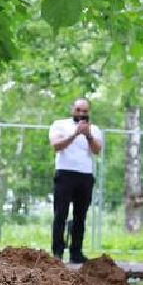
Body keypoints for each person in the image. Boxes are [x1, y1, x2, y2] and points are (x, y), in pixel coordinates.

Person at [49, 98, 102, 264]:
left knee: (80, 216)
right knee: (60, 214)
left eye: (84, 111)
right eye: (78, 110)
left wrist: (88, 135)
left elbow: (97, 150)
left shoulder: (94, 130)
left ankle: (76, 252)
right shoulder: (59, 125)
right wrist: (75, 134)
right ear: (72, 109)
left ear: (89, 112)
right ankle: (57, 252)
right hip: (64, 174)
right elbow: (56, 146)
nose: (81, 113)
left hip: (85, 175)